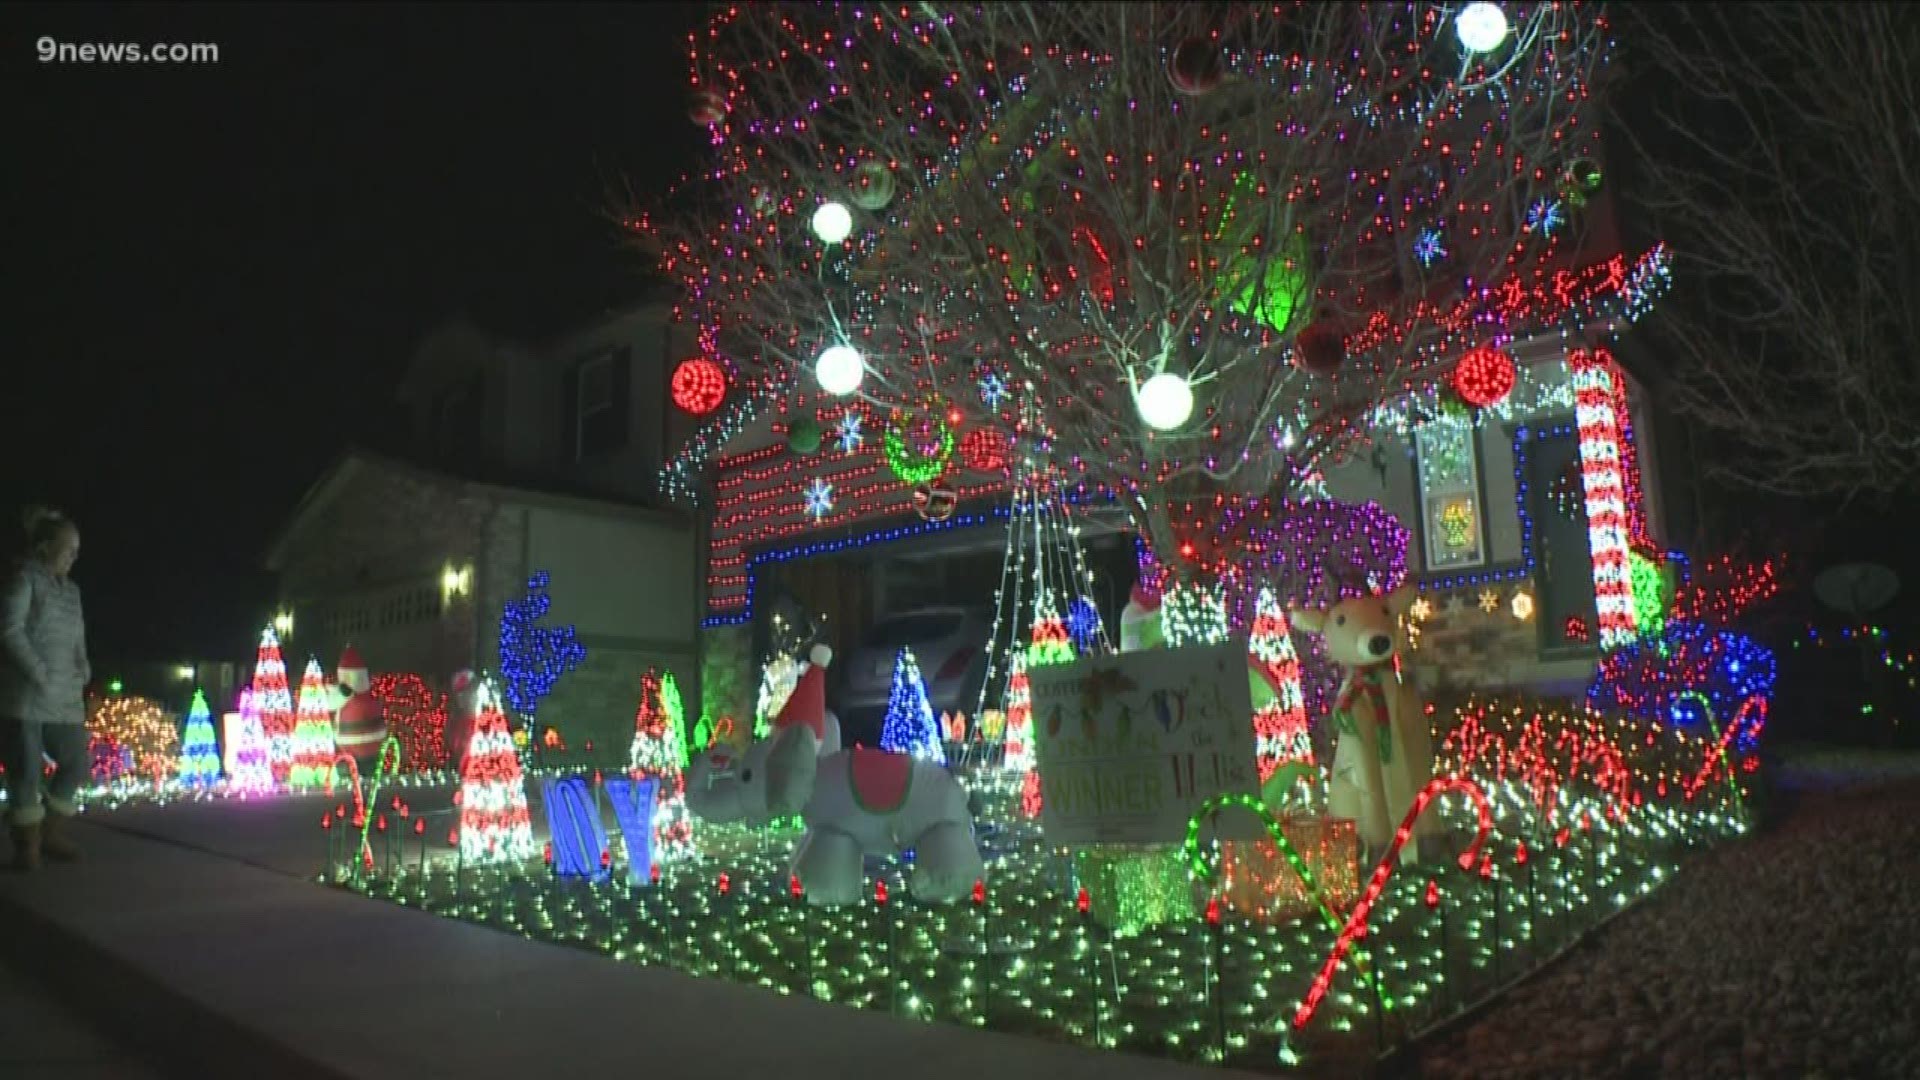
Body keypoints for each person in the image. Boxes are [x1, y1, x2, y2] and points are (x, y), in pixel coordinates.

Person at [0, 507, 91, 870]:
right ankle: (27, 845)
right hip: (24, 695)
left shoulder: (72, 592)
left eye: (77, 550)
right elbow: (9, 629)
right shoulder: (24, 579)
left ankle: (51, 832)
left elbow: (78, 636)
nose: (73, 556)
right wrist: (36, 669)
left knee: (75, 762)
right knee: (25, 770)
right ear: (44, 547)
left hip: (65, 696)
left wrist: (83, 665)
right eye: (68, 548)